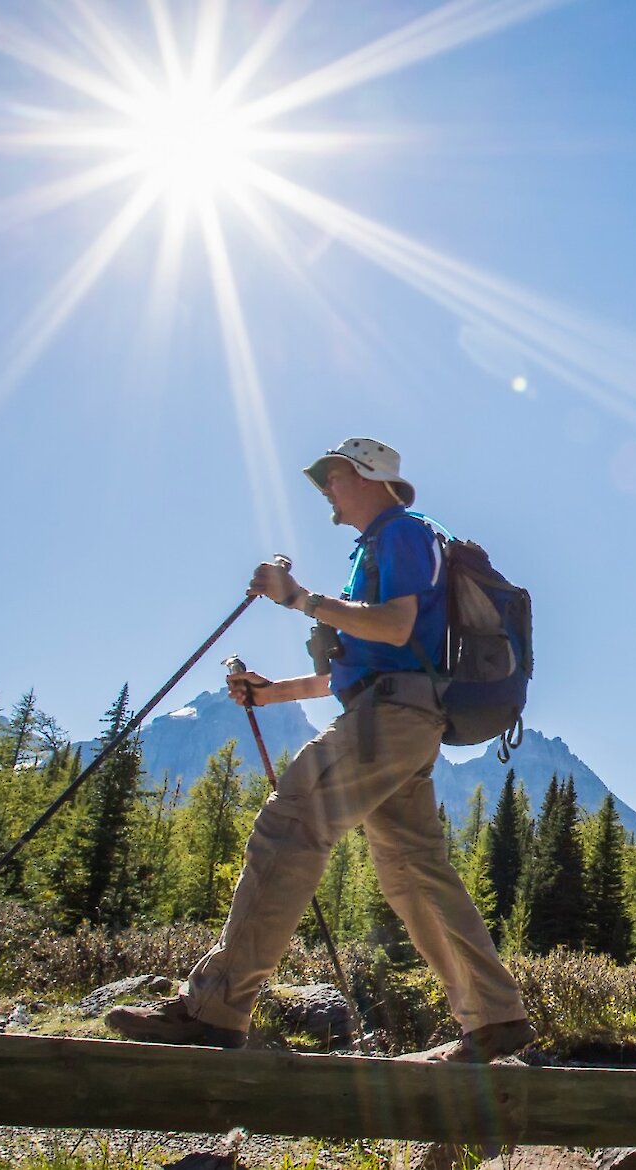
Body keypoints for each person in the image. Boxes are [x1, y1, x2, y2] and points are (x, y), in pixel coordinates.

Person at [107, 437, 535, 1061]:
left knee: (291, 823)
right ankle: (494, 1018)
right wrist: (274, 692)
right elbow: (374, 657)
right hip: (400, 714)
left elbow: (393, 626)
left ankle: (215, 1009)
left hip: (392, 715)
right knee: (414, 869)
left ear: (366, 476)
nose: (326, 491)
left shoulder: (403, 532)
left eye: (331, 477)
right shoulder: (382, 545)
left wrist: (299, 598)